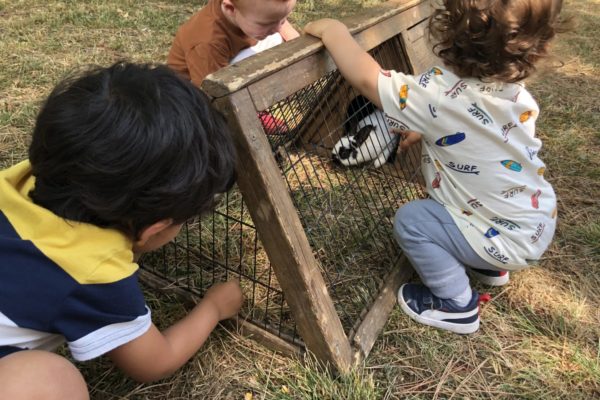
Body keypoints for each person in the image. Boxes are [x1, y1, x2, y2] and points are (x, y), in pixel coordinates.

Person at [305, 0, 568, 334]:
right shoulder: (516, 94)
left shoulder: (439, 94)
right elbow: (479, 136)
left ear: (450, 31)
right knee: (467, 209)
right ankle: (490, 265)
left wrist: (334, 31)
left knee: (413, 221)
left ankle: (457, 304)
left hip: (505, 239)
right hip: (535, 221)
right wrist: (428, 129)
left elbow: (370, 81)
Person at [0, 62, 243, 399]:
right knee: (49, 382)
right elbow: (155, 361)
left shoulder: (18, 180)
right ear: (153, 229)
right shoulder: (93, 270)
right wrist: (214, 308)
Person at [168, 0, 299, 87]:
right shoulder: (208, 44)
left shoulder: (248, 10)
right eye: (266, 23)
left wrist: (296, 43)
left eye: (282, 19)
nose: (277, 28)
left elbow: (278, 23)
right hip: (196, 86)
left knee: (278, 38)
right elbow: (212, 92)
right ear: (230, 8)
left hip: (230, 57)